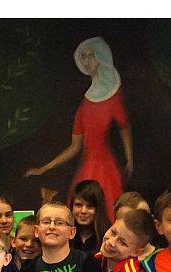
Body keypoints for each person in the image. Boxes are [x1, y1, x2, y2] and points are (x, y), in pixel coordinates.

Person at [24, 37, 132, 220]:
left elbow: (124, 126)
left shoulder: (112, 93)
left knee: (106, 214)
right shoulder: (85, 103)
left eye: (91, 56)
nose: (87, 61)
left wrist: (130, 160)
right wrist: (44, 168)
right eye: (84, 56)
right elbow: (75, 147)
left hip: (106, 169)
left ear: (100, 57)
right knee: (81, 213)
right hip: (86, 168)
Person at [69, 179, 112, 258]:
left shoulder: (110, 237)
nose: (83, 211)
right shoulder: (64, 234)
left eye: (90, 206)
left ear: (98, 209)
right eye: (78, 205)